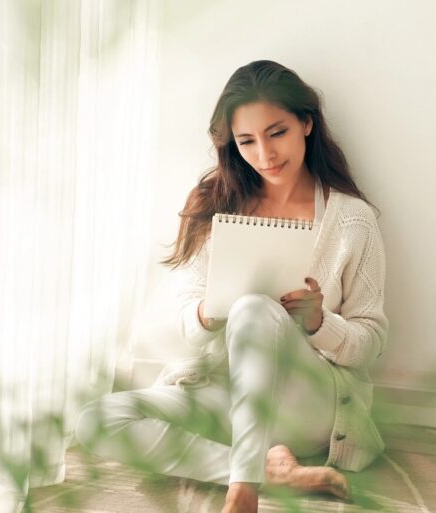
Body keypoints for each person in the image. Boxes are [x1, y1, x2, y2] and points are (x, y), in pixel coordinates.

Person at [74, 60, 388, 513]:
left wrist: (321, 323)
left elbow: (372, 342)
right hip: (231, 400)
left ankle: (243, 491)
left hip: (310, 404)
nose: (265, 154)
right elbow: (187, 317)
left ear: (306, 123)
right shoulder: (216, 204)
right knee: (97, 420)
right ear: (232, 144)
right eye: (247, 141)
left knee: (255, 310)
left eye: (276, 132)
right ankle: (263, 470)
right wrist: (206, 312)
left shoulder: (351, 220)